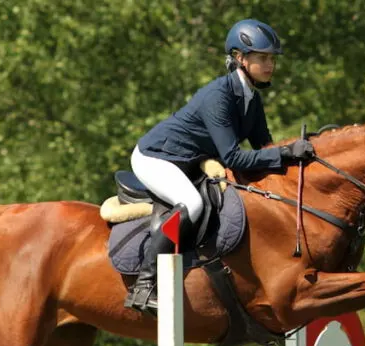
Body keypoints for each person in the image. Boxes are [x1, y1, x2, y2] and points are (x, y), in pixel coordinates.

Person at [125, 18, 316, 314]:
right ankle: (143, 286)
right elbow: (234, 158)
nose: (270, 65)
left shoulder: (251, 99)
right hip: (155, 157)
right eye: (262, 58)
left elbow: (264, 149)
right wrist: (286, 153)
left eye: (272, 59)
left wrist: (299, 156)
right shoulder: (219, 96)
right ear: (240, 58)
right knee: (191, 204)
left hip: (188, 161)